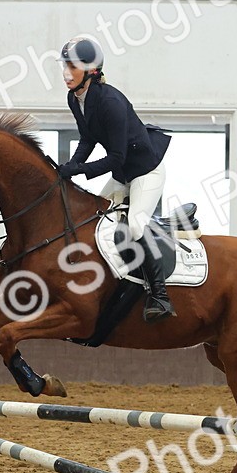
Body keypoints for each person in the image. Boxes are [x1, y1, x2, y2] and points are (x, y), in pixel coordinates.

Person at [56, 36, 175, 322]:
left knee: (135, 225)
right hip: (123, 175)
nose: (66, 73)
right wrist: (70, 167)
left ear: (91, 71)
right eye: (65, 66)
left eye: (72, 67)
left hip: (146, 171)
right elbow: (88, 139)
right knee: (96, 218)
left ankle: (159, 295)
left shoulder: (110, 101)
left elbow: (116, 157)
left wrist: (79, 171)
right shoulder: (75, 98)